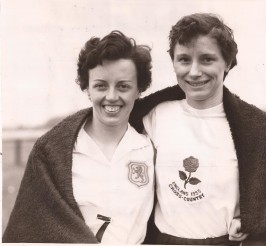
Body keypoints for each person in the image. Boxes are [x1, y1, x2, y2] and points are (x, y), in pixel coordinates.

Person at [129, 13, 266, 245]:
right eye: (184, 60)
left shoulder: (255, 130)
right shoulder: (154, 116)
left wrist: (251, 219)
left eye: (207, 59)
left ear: (227, 62)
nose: (194, 71)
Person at [3, 31, 155, 243]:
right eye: (101, 85)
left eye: (123, 86)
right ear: (87, 88)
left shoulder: (150, 148)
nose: (111, 96)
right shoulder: (52, 152)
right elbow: (29, 230)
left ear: (139, 89)